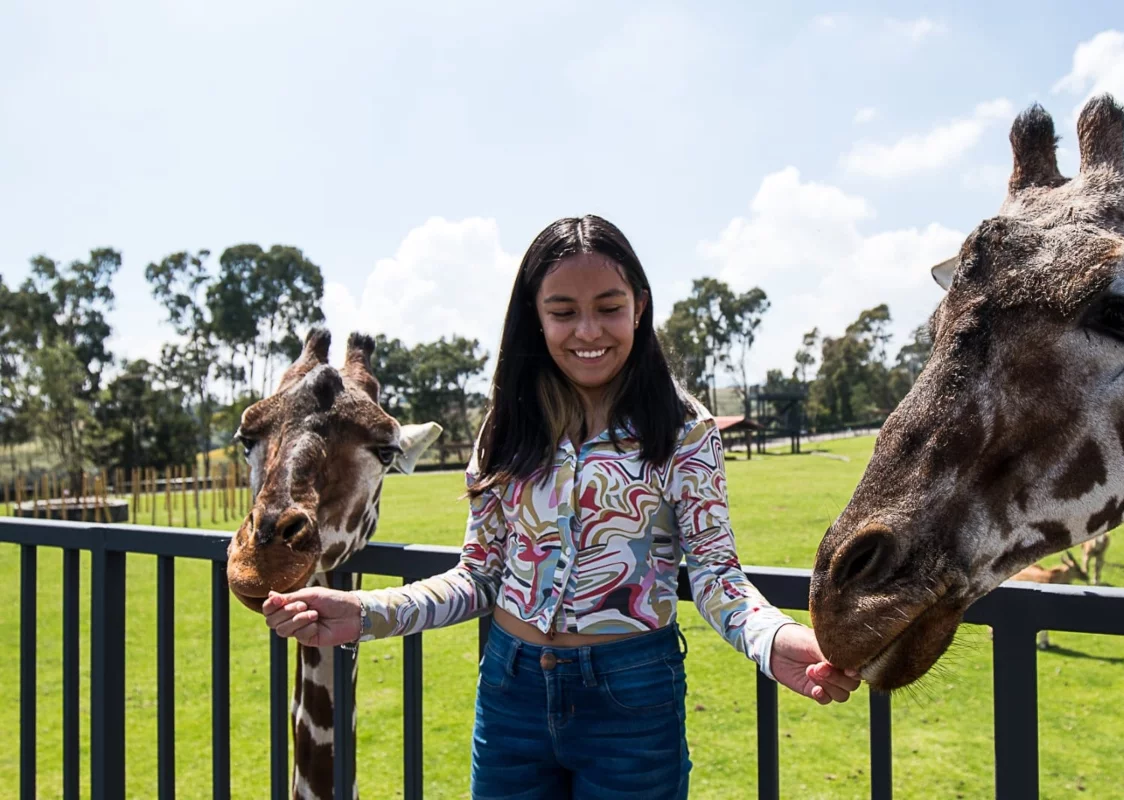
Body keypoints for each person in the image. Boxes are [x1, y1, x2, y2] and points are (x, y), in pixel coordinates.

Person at [264, 215, 861, 799]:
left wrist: (774, 639)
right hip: (509, 694)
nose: (588, 331)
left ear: (640, 306)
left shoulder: (685, 430)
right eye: (563, 312)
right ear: (535, 317)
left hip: (633, 701)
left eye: (608, 307)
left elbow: (713, 575)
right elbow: (478, 577)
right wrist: (362, 613)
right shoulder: (505, 428)